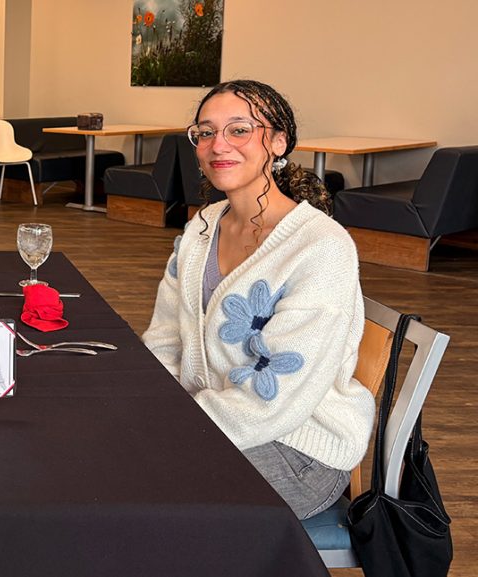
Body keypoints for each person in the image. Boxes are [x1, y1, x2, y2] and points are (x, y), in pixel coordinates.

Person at [141, 79, 375, 520]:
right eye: (205, 132)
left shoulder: (320, 247)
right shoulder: (203, 228)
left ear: (279, 142)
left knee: (139, 493)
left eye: (239, 129)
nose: (218, 145)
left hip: (296, 447)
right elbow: (164, 338)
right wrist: (152, 410)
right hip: (208, 421)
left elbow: (275, 396)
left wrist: (170, 429)